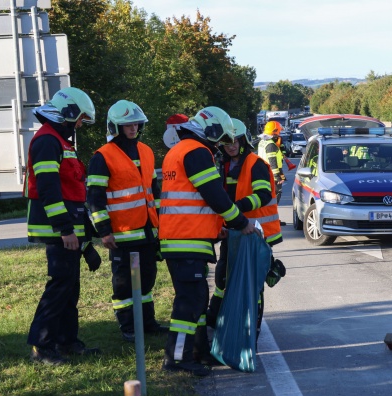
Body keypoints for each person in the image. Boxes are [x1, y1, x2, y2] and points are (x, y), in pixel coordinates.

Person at [159, 106, 258, 376]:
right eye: (219, 138)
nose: (219, 145)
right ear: (211, 130)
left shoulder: (180, 149)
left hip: (183, 237)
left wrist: (217, 229)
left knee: (197, 299)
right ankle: (177, 358)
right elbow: (214, 195)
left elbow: (192, 200)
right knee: (189, 302)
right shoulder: (196, 152)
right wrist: (240, 222)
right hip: (186, 239)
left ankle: (198, 352)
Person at [24, 87, 101, 365]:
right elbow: (49, 189)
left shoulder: (59, 141)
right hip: (58, 229)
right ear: (67, 113)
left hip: (68, 229)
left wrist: (85, 241)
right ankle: (42, 346)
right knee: (60, 286)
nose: (80, 124)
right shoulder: (47, 141)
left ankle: (67, 341)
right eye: (79, 118)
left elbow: (73, 193)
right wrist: (65, 230)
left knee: (70, 287)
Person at [86, 100, 165, 343]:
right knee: (123, 285)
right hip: (120, 234)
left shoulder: (147, 151)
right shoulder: (102, 157)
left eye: (136, 124)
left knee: (147, 280)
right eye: (127, 125)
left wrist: (161, 225)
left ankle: (147, 323)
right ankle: (128, 326)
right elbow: (95, 198)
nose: (133, 128)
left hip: (148, 231)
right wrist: (104, 231)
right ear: (115, 126)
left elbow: (154, 191)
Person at [207, 118, 284, 341]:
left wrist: (234, 209)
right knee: (223, 279)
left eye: (235, 141)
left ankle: (251, 329)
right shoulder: (223, 164)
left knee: (252, 286)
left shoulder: (255, 164)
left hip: (255, 234)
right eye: (226, 142)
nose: (231, 145)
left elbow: (262, 195)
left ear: (244, 140)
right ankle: (216, 321)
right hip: (234, 232)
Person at [258, 121, 286, 211]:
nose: (279, 134)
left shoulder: (262, 142)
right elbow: (273, 163)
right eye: (278, 132)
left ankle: (273, 217)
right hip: (271, 176)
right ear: (274, 132)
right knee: (275, 196)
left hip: (263, 173)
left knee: (268, 198)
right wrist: (278, 177)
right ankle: (273, 217)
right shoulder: (271, 145)